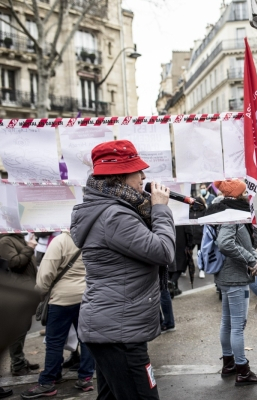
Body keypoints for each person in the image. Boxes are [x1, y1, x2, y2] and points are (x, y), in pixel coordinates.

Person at [70, 140, 176, 400]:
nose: (143, 176)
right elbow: (164, 252)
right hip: (119, 331)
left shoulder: (111, 208)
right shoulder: (115, 215)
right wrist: (161, 209)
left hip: (112, 327)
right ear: (118, 175)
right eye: (136, 171)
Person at [21, 232, 95, 398]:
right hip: (86, 296)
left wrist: (40, 293)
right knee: (86, 339)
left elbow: (46, 274)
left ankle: (48, 381)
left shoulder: (60, 241)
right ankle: (86, 377)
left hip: (61, 299)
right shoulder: (91, 238)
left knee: (54, 341)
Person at [210, 179, 257, 386]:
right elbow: (225, 243)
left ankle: (229, 363)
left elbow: (238, 241)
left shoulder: (224, 210)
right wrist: (252, 259)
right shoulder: (231, 215)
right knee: (237, 326)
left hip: (227, 276)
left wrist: (252, 255)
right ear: (237, 195)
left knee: (227, 323)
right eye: (244, 192)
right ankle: (243, 371)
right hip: (235, 277)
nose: (247, 196)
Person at [0, 233, 40, 377]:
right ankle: (17, 364)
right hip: (17, 289)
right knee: (18, 331)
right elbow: (14, 263)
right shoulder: (5, 240)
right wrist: (29, 248)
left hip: (24, 290)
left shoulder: (16, 238)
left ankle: (20, 360)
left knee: (24, 328)